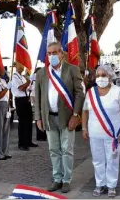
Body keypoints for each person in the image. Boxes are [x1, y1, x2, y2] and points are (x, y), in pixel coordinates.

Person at [35, 42, 85, 193]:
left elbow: (79, 94)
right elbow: (37, 97)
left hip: (67, 117)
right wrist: (38, 117)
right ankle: (57, 178)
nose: (52, 56)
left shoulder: (72, 70)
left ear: (62, 54)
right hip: (49, 118)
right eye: (49, 53)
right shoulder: (42, 73)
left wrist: (76, 115)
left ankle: (66, 180)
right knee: (53, 150)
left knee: (67, 150)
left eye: (55, 52)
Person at [82, 65, 120, 198]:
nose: (100, 78)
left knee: (112, 159)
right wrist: (84, 128)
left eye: (103, 75)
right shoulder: (91, 92)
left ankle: (111, 185)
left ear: (110, 77)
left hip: (113, 134)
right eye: (98, 75)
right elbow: (85, 110)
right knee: (97, 160)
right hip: (95, 134)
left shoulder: (118, 91)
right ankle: (99, 184)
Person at [11, 62, 38, 151]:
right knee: (22, 122)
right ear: (16, 66)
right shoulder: (14, 77)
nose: (22, 67)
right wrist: (29, 81)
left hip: (26, 99)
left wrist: (30, 85)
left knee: (29, 121)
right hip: (20, 100)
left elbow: (26, 88)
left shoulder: (22, 77)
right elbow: (21, 88)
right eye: (20, 65)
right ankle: (22, 143)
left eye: (22, 65)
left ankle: (28, 141)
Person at [29, 67, 47, 141]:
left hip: (38, 98)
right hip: (37, 98)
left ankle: (41, 135)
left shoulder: (35, 78)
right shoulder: (35, 79)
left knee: (40, 117)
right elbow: (33, 91)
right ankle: (41, 135)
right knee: (39, 117)